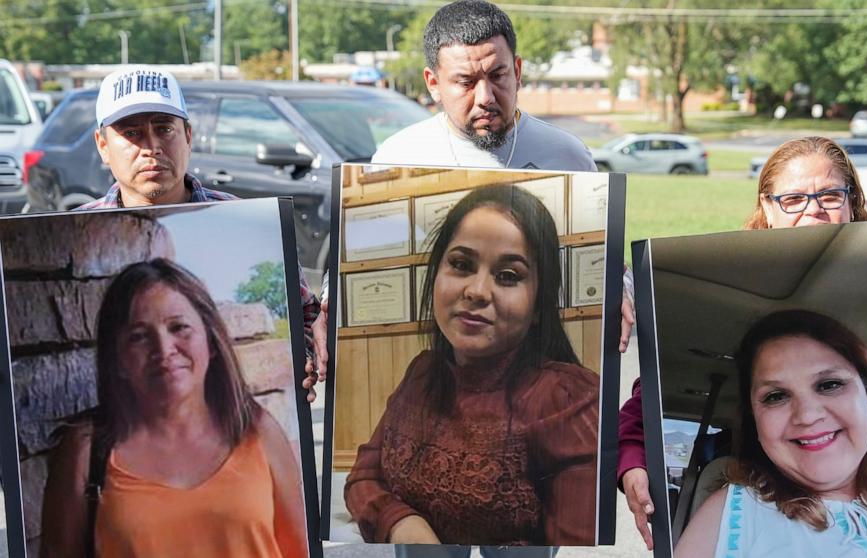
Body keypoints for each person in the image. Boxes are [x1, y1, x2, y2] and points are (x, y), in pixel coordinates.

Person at [618, 136, 867, 556]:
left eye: (830, 195)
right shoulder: (734, 511)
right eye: (792, 199)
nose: (813, 210)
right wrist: (632, 461)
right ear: (767, 208)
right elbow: (649, 399)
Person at [343, 185, 599, 555]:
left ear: (539, 305)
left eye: (509, 275)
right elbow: (363, 478)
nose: (477, 291)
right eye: (461, 265)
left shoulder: (568, 401)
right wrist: (402, 523)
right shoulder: (422, 373)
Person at [82, 66, 328, 398]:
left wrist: (307, 355)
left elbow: (304, 315)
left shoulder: (248, 224)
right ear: (102, 145)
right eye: (132, 133)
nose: (151, 147)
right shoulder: (77, 236)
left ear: (187, 136)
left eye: (164, 128)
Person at [39, 258, 307, 558]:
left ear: (212, 341)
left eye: (179, 327)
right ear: (118, 359)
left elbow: (301, 549)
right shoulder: (85, 452)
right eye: (139, 336)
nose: (163, 350)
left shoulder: (258, 430)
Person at [675, 309, 867, 557]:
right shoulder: (728, 513)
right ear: (755, 422)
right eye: (775, 396)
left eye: (830, 384)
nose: (807, 416)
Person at [370, 0, 596, 172]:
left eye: (498, 75)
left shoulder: (568, 157)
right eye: (466, 82)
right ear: (433, 84)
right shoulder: (396, 159)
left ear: (517, 72)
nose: (485, 97)